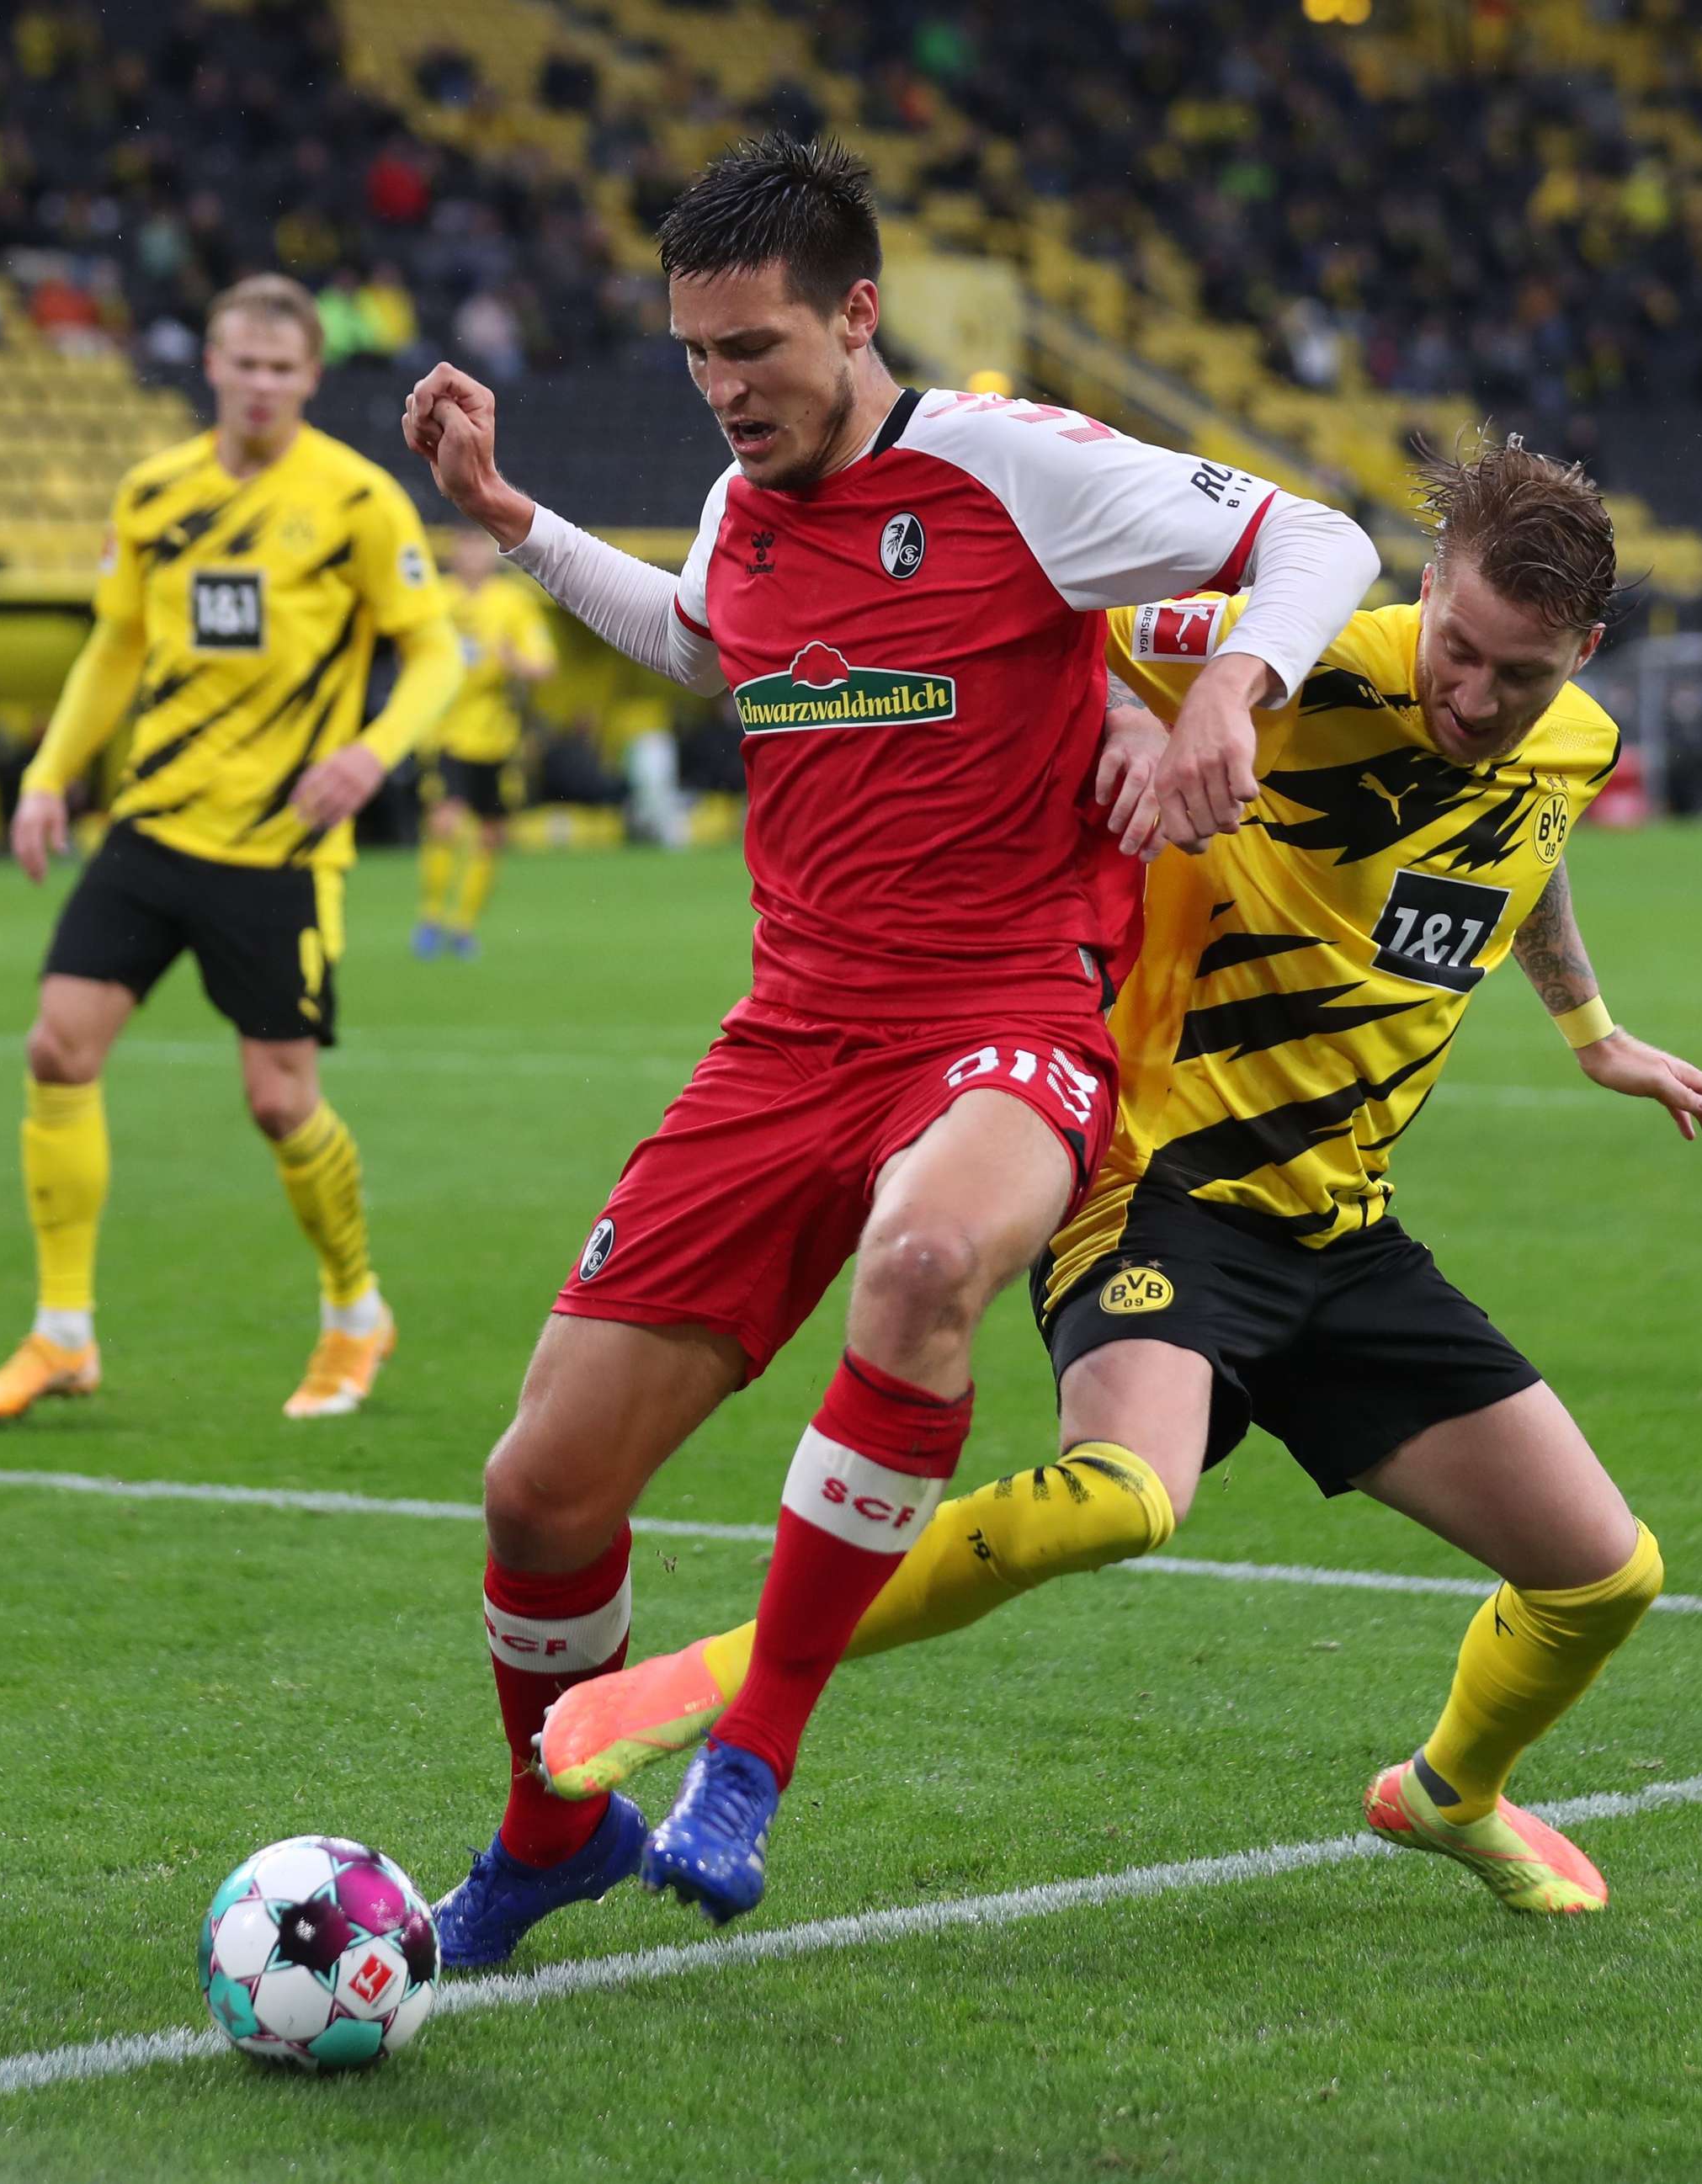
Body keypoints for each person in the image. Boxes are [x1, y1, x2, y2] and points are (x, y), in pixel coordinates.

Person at [401, 136, 1378, 1958]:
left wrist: (1233, 685)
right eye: (695, 355)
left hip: (1007, 1005)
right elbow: (705, 649)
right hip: (788, 1032)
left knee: (926, 1259)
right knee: (538, 1489)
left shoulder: (1008, 465)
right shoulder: (736, 502)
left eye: (754, 349)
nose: (723, 391)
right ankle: (550, 1835)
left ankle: (749, 1759)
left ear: (858, 316)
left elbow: (1322, 538)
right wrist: (513, 521)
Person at [540, 442, 1702, 1918]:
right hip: (1157, 1183)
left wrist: (1591, 1031)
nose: (1476, 701)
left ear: (1584, 657)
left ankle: (1447, 1795)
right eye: (1460, 654)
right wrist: (1114, 712)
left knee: (1604, 1576)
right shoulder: (1292, 664)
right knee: (1124, 1497)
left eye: (1523, 677)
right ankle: (710, 1681)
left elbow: (1533, 842)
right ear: (1425, 593)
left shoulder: (1572, 742)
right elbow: (1048, 623)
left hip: (1343, 1234)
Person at [0, 274, 461, 1427]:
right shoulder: (152, 494)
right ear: (214, 367)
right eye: (246, 363)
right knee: (57, 1048)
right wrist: (45, 775)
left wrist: (371, 756)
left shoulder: (357, 502)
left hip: (279, 848)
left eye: (286, 369)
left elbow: (436, 655)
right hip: (153, 826)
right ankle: (62, 1330)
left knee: (281, 1102)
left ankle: (353, 1311)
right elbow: (113, 649)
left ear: (310, 378)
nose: (265, 385)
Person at [413, 528, 559, 958]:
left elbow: (544, 666)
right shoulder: (435, 599)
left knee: (491, 835)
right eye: (466, 546)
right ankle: (431, 916)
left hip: (497, 739)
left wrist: (515, 663)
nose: (473, 556)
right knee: (445, 822)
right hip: (448, 734)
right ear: (455, 554)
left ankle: (463, 926)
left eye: (480, 547)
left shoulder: (512, 602)